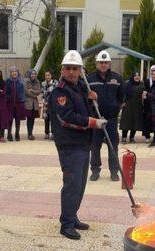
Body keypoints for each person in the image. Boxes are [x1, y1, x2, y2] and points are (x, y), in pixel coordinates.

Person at [48, 50, 105, 240]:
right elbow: (66, 119)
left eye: (75, 68)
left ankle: (72, 216)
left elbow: (85, 108)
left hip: (83, 143)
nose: (72, 72)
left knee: (80, 184)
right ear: (62, 70)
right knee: (72, 184)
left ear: (81, 70)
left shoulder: (81, 88)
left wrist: (92, 99)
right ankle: (66, 224)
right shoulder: (59, 92)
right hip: (69, 145)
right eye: (68, 68)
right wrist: (92, 122)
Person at [87, 50, 124, 182]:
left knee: (113, 146)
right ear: (97, 64)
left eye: (105, 62)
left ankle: (114, 171)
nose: (103, 64)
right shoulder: (89, 79)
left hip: (111, 119)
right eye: (101, 62)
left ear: (109, 64)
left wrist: (115, 107)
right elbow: (86, 99)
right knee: (95, 146)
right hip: (96, 119)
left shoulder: (117, 78)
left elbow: (121, 97)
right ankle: (95, 171)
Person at [120, 71, 145, 144]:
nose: (137, 77)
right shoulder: (128, 84)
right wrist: (122, 102)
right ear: (132, 77)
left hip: (137, 106)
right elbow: (122, 93)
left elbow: (144, 95)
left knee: (135, 122)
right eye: (135, 75)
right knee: (126, 122)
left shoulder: (142, 85)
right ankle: (124, 137)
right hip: (128, 106)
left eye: (138, 75)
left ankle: (132, 137)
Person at [5, 66, 26, 141]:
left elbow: (23, 92)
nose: (14, 73)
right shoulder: (7, 81)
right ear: (10, 73)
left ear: (18, 72)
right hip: (9, 104)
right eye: (12, 72)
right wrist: (7, 100)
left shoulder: (21, 81)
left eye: (15, 71)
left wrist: (22, 101)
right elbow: (6, 92)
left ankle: (17, 134)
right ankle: (9, 134)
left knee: (18, 120)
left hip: (18, 104)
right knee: (9, 120)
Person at [24, 69, 42, 140]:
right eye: (32, 74)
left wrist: (31, 90)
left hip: (35, 104)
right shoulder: (26, 81)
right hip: (29, 103)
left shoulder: (37, 81)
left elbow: (39, 91)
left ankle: (31, 133)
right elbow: (26, 92)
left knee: (33, 119)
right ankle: (29, 134)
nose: (33, 75)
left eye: (34, 74)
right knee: (29, 119)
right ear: (30, 74)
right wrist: (35, 95)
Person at [41, 70, 58, 140]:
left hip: (53, 104)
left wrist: (51, 101)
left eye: (48, 75)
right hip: (45, 104)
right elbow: (42, 94)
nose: (47, 77)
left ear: (51, 76)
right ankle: (46, 133)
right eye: (46, 75)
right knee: (46, 119)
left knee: (53, 119)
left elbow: (56, 93)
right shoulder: (43, 83)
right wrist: (43, 101)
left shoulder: (55, 83)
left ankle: (53, 133)